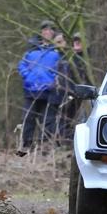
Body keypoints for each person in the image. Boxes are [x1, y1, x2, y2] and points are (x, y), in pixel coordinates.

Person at [16, 20, 61, 156]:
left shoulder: (58, 50)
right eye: (44, 30)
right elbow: (22, 65)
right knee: (28, 119)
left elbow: (62, 68)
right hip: (31, 90)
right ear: (41, 32)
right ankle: (25, 147)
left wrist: (53, 79)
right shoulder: (32, 49)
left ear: (54, 33)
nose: (47, 32)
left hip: (49, 91)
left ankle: (44, 150)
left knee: (47, 121)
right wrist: (27, 76)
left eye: (50, 30)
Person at [61, 32, 91, 137]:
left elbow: (88, 78)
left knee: (83, 118)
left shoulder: (88, 59)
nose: (77, 43)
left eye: (80, 41)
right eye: (75, 41)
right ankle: (64, 139)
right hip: (70, 93)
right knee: (66, 117)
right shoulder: (69, 58)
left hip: (84, 94)